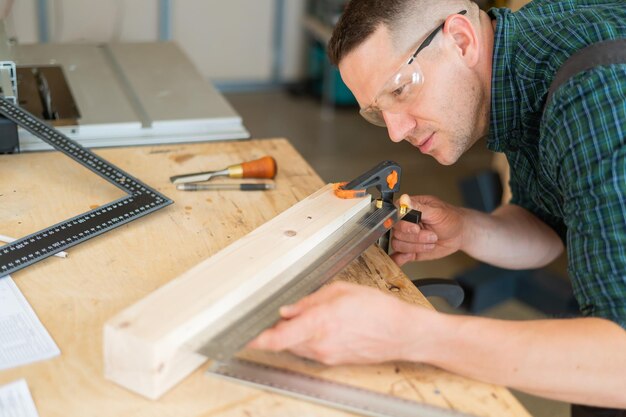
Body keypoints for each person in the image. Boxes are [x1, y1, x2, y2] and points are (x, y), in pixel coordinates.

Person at [249, 0, 626, 411]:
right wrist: (464, 227)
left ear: (461, 40)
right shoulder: (521, 72)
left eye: (400, 89)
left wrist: (410, 334)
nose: (396, 131)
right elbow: (551, 229)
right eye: (379, 112)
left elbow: (616, 366)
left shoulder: (597, 94)